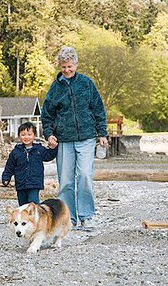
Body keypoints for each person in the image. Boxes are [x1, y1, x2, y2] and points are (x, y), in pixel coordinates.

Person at [41, 46, 108, 228]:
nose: (67, 70)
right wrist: (49, 134)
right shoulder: (55, 88)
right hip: (64, 140)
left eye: (70, 66)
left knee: (85, 175)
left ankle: (86, 216)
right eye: (63, 67)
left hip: (86, 137)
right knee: (66, 181)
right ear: (60, 66)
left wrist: (102, 132)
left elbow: (98, 108)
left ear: (76, 64)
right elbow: (47, 114)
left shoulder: (86, 83)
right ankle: (68, 218)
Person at [2, 122, 58, 206]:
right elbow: (10, 166)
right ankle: (25, 219)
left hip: (34, 183)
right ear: (19, 136)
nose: (26, 137)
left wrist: (53, 148)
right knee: (23, 205)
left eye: (29, 134)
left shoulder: (39, 149)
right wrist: (6, 177)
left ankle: (36, 219)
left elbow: (48, 156)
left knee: (33, 204)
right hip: (21, 183)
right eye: (23, 134)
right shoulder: (16, 152)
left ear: (34, 135)